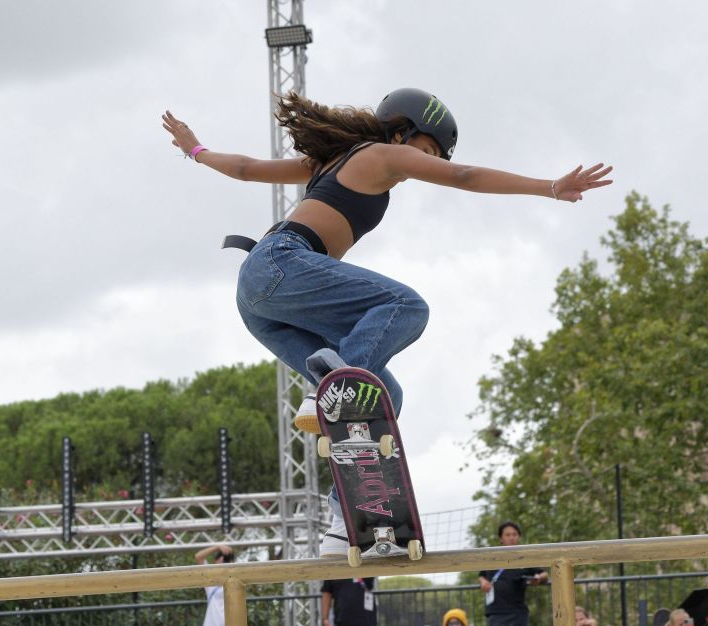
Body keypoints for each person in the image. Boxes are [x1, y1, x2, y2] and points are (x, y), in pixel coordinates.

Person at [163, 89, 613, 557]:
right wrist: (550, 187)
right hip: (282, 265)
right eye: (425, 152)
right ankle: (326, 389)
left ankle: (343, 521)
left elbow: (246, 169)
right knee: (407, 306)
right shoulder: (382, 154)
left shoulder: (329, 160)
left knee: (383, 395)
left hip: (263, 303)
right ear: (401, 131)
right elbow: (465, 175)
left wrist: (196, 151)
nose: (424, 166)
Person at [478, 521, 549, 626]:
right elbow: (481, 575)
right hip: (495, 613)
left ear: (519, 537)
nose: (511, 537)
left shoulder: (524, 558)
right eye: (507, 535)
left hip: (518, 613)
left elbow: (544, 574)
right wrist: (483, 582)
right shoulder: (492, 557)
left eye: (514, 534)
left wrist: (538, 578)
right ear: (500, 538)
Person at [194, 544, 235, 626]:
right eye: (220, 560)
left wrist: (231, 556)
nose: (222, 564)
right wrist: (218, 547)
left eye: (225, 562)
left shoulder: (235, 580)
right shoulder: (210, 580)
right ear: (215, 561)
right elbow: (198, 556)